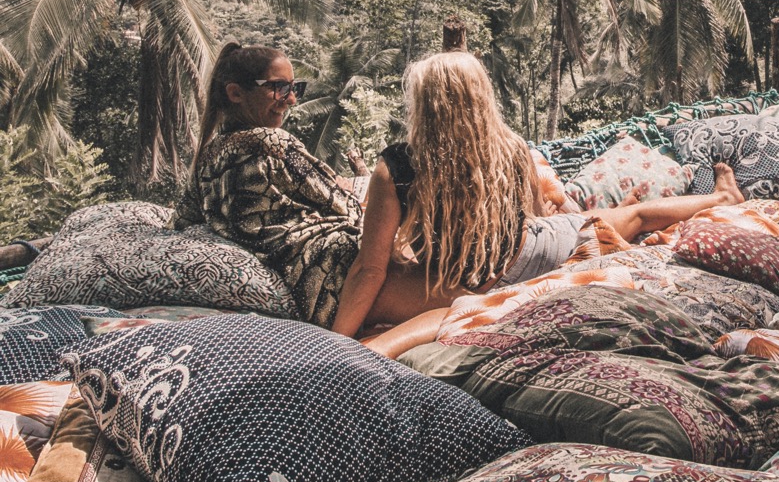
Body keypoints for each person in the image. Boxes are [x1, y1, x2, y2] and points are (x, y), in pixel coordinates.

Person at [331, 50, 743, 351]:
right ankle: (720, 196)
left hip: (464, 283)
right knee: (633, 216)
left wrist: (334, 340)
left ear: (424, 103)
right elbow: (529, 218)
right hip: (532, 255)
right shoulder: (510, 147)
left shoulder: (398, 166)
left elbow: (369, 270)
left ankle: (719, 196)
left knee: (619, 215)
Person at [178, 42, 363, 329]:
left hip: (295, 283)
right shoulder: (273, 145)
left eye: (294, 88)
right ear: (236, 93)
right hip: (328, 278)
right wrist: (351, 191)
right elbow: (348, 208)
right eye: (279, 88)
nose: (291, 100)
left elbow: (181, 220)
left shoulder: (208, 155)